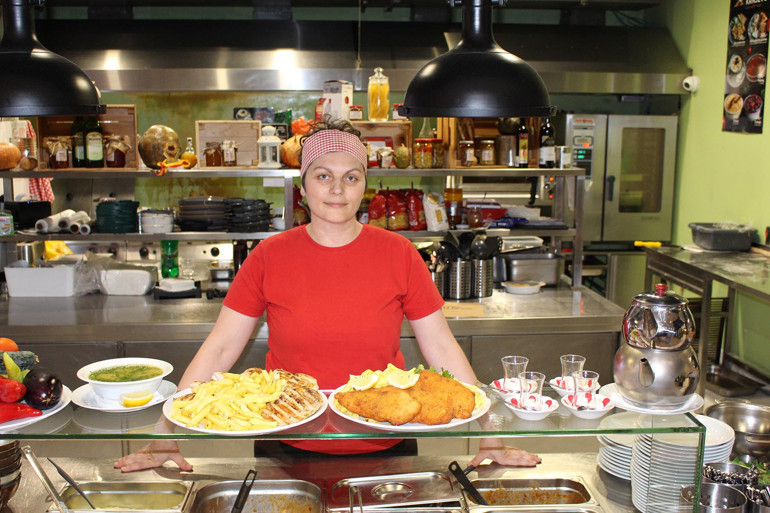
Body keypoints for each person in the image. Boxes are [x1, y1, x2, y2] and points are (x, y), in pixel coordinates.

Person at [115, 117, 541, 472]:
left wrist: (491, 436)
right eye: (323, 176)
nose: (337, 189)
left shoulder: (400, 253)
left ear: (363, 188)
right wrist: (165, 435)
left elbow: (442, 349)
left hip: (385, 444)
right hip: (285, 446)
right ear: (303, 188)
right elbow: (221, 347)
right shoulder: (268, 256)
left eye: (350, 177)